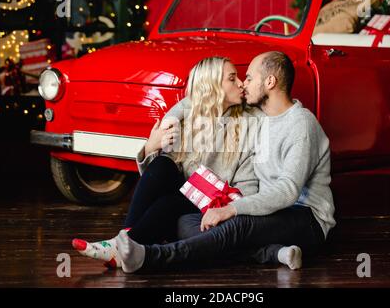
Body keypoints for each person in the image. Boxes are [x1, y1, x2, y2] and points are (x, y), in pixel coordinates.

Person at [113, 51, 336, 273]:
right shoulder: (260, 118)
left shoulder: (301, 124)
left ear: (270, 81)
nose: (243, 84)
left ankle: (150, 257)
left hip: (305, 217)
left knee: (236, 226)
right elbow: (202, 97)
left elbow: (288, 191)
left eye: (249, 77)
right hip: (269, 210)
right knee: (186, 223)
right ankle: (271, 252)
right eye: (237, 78)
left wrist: (231, 209)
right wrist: (160, 133)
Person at [71, 56, 261, 268]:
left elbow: (247, 184)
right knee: (163, 165)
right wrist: (151, 147)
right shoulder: (190, 115)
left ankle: (119, 247)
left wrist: (232, 208)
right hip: (184, 190)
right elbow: (157, 175)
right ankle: (123, 242)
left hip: (214, 202)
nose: (241, 83)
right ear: (213, 87)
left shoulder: (248, 122)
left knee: (169, 203)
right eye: (232, 78)